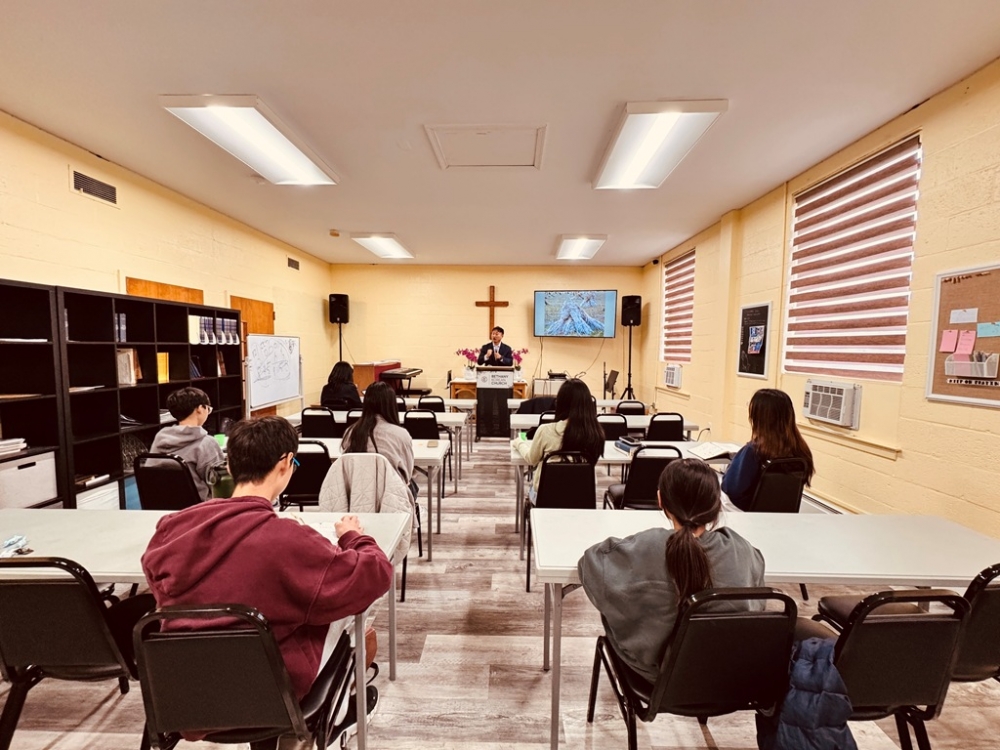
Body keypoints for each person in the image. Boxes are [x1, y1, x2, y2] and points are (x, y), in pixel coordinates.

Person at [141, 416, 394, 712]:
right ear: (285, 463)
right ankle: (339, 714)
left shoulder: (172, 528)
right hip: (269, 695)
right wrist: (353, 536)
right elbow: (375, 573)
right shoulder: (289, 539)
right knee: (351, 621)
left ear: (230, 466)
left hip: (183, 695)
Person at [578, 458, 765, 682]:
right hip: (725, 679)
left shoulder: (646, 547)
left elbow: (591, 564)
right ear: (716, 506)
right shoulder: (741, 550)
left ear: (661, 501)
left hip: (657, 679)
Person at [722, 388, 815, 511]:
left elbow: (731, 488)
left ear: (758, 418)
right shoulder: (801, 451)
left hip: (745, 511)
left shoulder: (753, 451)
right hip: (780, 511)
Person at [511, 378, 604, 497]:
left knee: (531, 491)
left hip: (547, 497)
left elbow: (531, 459)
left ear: (560, 403)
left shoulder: (546, 430)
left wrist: (519, 442)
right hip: (582, 497)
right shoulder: (596, 434)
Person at [150, 386, 225, 500]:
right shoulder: (206, 443)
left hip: (160, 503)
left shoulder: (160, 438)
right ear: (200, 409)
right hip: (199, 506)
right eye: (208, 409)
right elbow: (219, 483)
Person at [342, 381, 415, 494]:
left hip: (357, 494)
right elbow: (408, 473)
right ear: (391, 405)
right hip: (390, 496)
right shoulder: (401, 434)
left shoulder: (351, 432)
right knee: (413, 486)